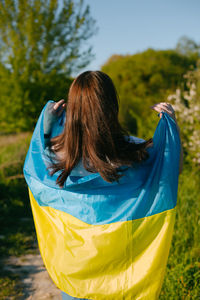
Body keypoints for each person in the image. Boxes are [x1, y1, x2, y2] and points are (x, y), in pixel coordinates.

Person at [23, 70, 183, 300]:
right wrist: (172, 127)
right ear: (112, 107)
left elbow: (34, 171)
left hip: (75, 270)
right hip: (123, 273)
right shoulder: (135, 151)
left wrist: (44, 129)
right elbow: (170, 171)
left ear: (73, 108)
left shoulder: (56, 153)